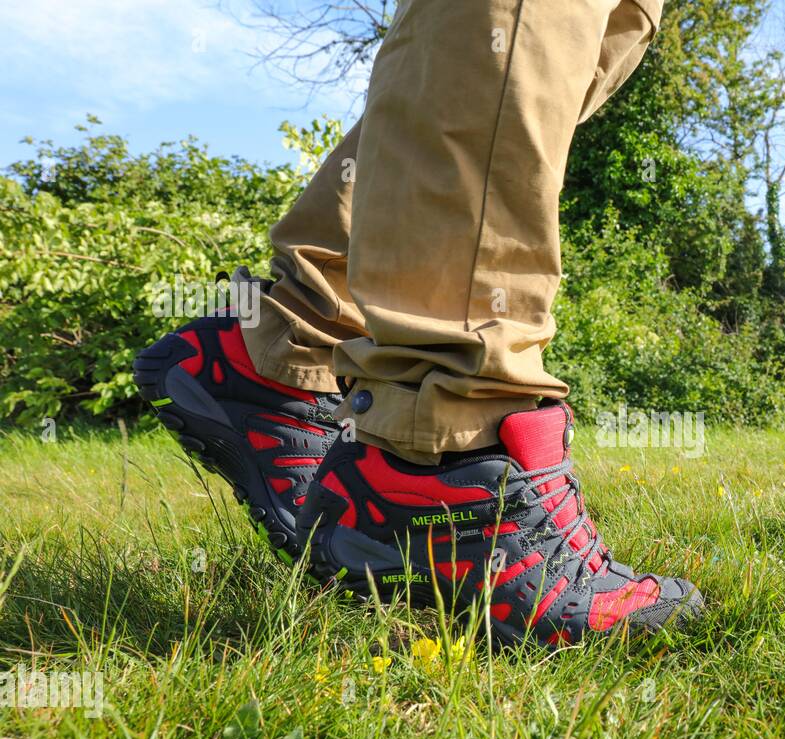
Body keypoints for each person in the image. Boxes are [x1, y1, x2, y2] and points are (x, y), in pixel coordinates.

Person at [132, 0, 701, 645]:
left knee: (586, 35)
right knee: (521, 23)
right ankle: (448, 430)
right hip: (451, 427)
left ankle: (299, 344)